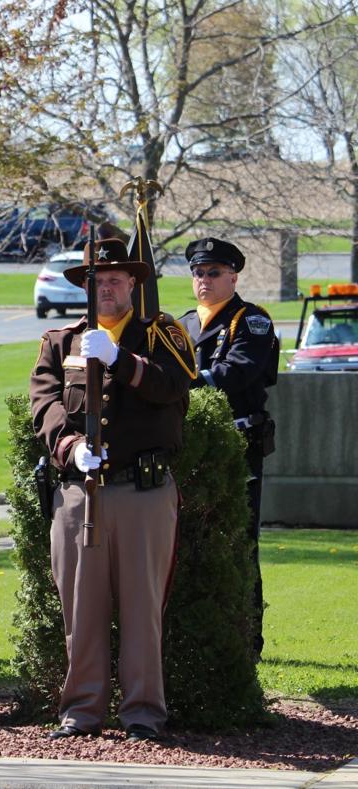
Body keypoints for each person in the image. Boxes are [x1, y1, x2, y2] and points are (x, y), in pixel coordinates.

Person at [29, 237, 196, 742]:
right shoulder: (61, 342)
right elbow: (45, 405)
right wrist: (71, 446)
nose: (107, 288)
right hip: (81, 492)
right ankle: (81, 710)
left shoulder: (161, 336)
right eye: (98, 281)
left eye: (116, 280)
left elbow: (174, 387)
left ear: (133, 284)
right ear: (85, 287)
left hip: (142, 491)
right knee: (81, 607)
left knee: (143, 608)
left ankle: (143, 711)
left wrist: (122, 361)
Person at [177, 237, 278, 657]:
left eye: (214, 273)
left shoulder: (250, 320)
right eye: (198, 273)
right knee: (188, 542)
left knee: (238, 543)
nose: (204, 280)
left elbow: (237, 371)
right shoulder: (181, 324)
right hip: (188, 446)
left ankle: (246, 641)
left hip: (237, 446)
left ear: (233, 276)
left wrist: (179, 381)